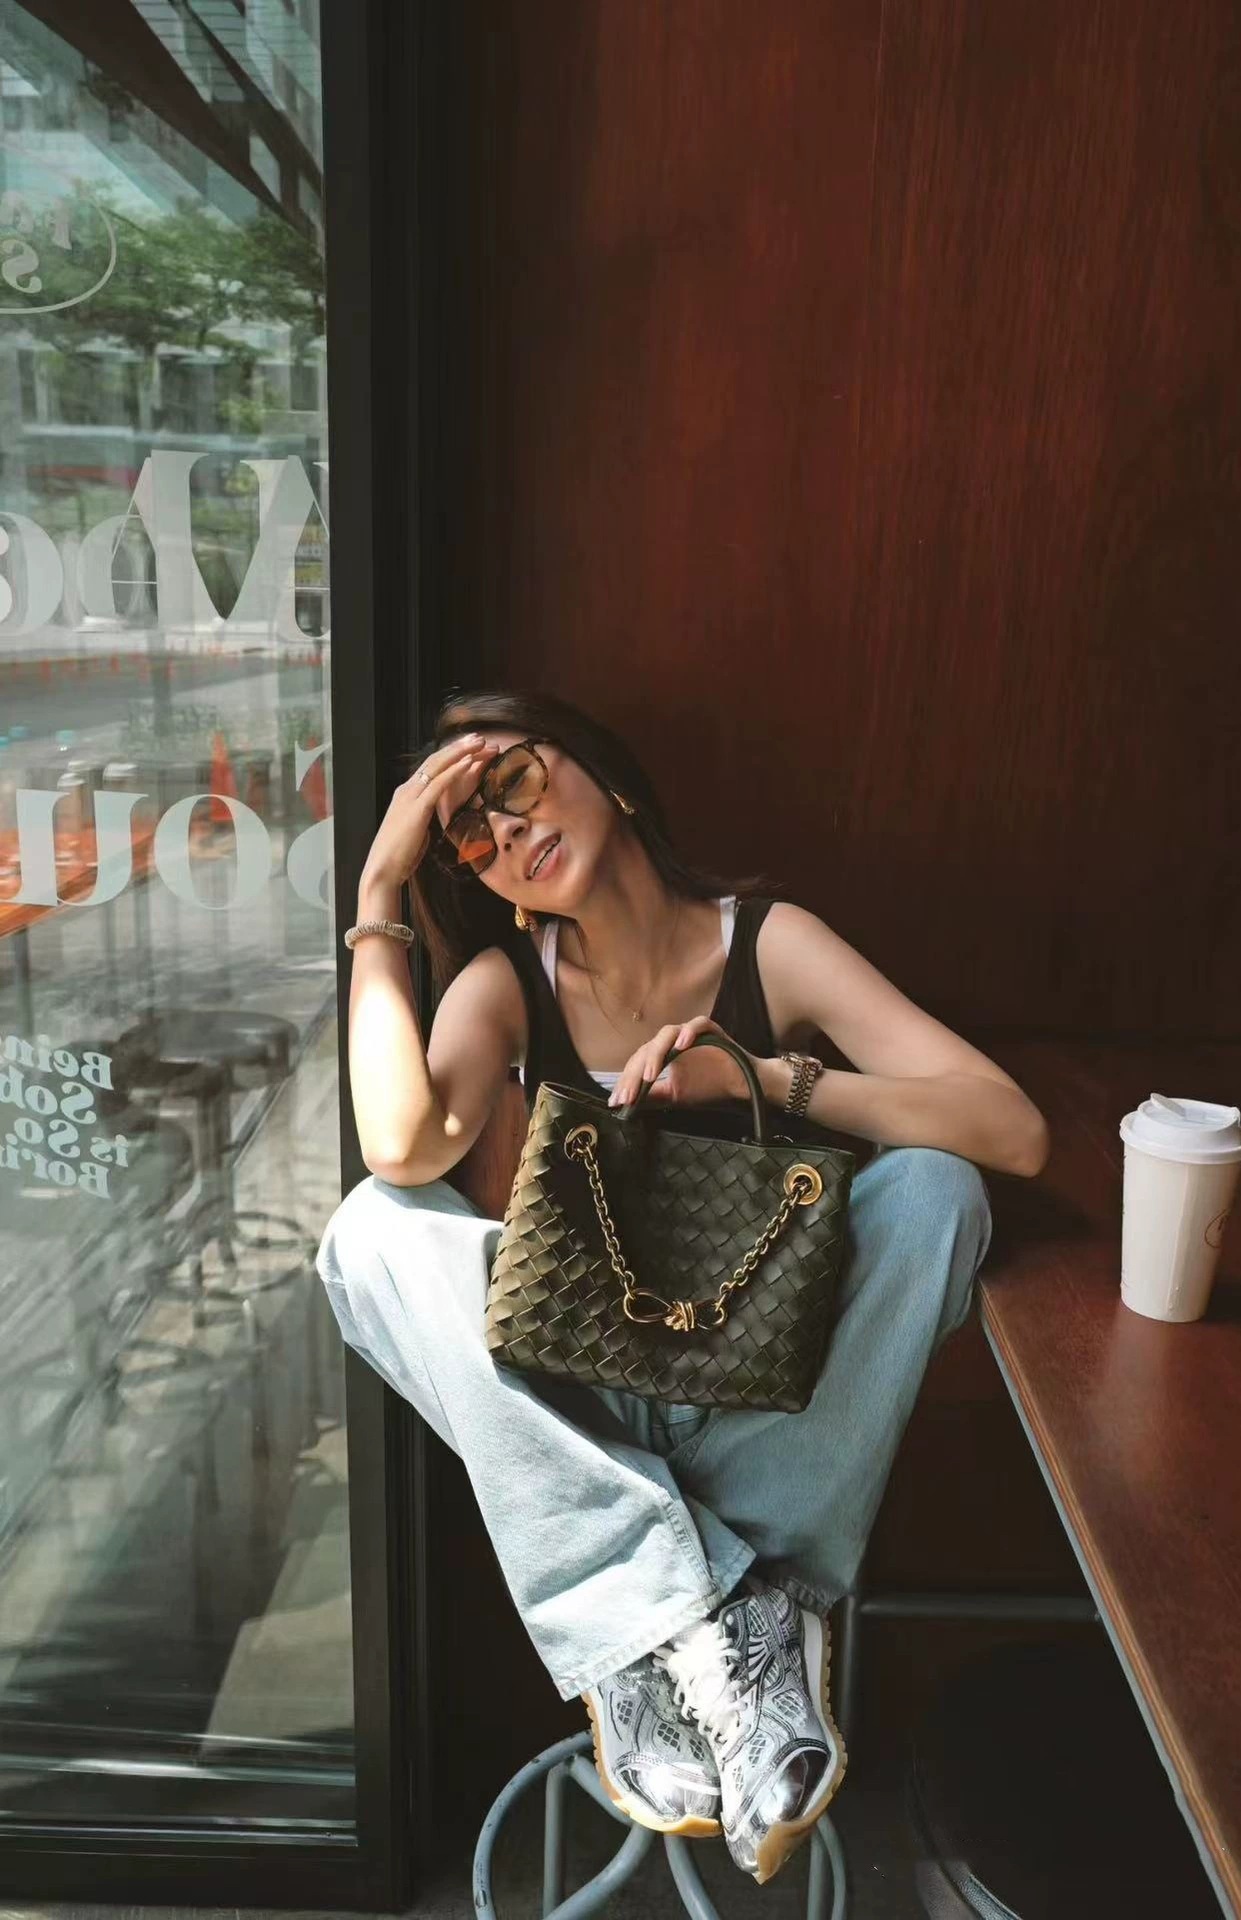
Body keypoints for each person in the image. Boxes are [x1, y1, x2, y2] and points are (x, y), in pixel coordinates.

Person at [316, 685, 1050, 1886]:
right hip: (581, 1405)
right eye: (469, 837)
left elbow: (1008, 1132)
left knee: (936, 1193)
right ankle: (685, 1619)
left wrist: (762, 1077)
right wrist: (378, 893)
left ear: (607, 775)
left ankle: (690, 1615)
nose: (507, 830)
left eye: (514, 781)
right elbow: (399, 1144)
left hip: (765, 1398)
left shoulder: (767, 943)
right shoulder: (507, 980)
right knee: (369, 1236)